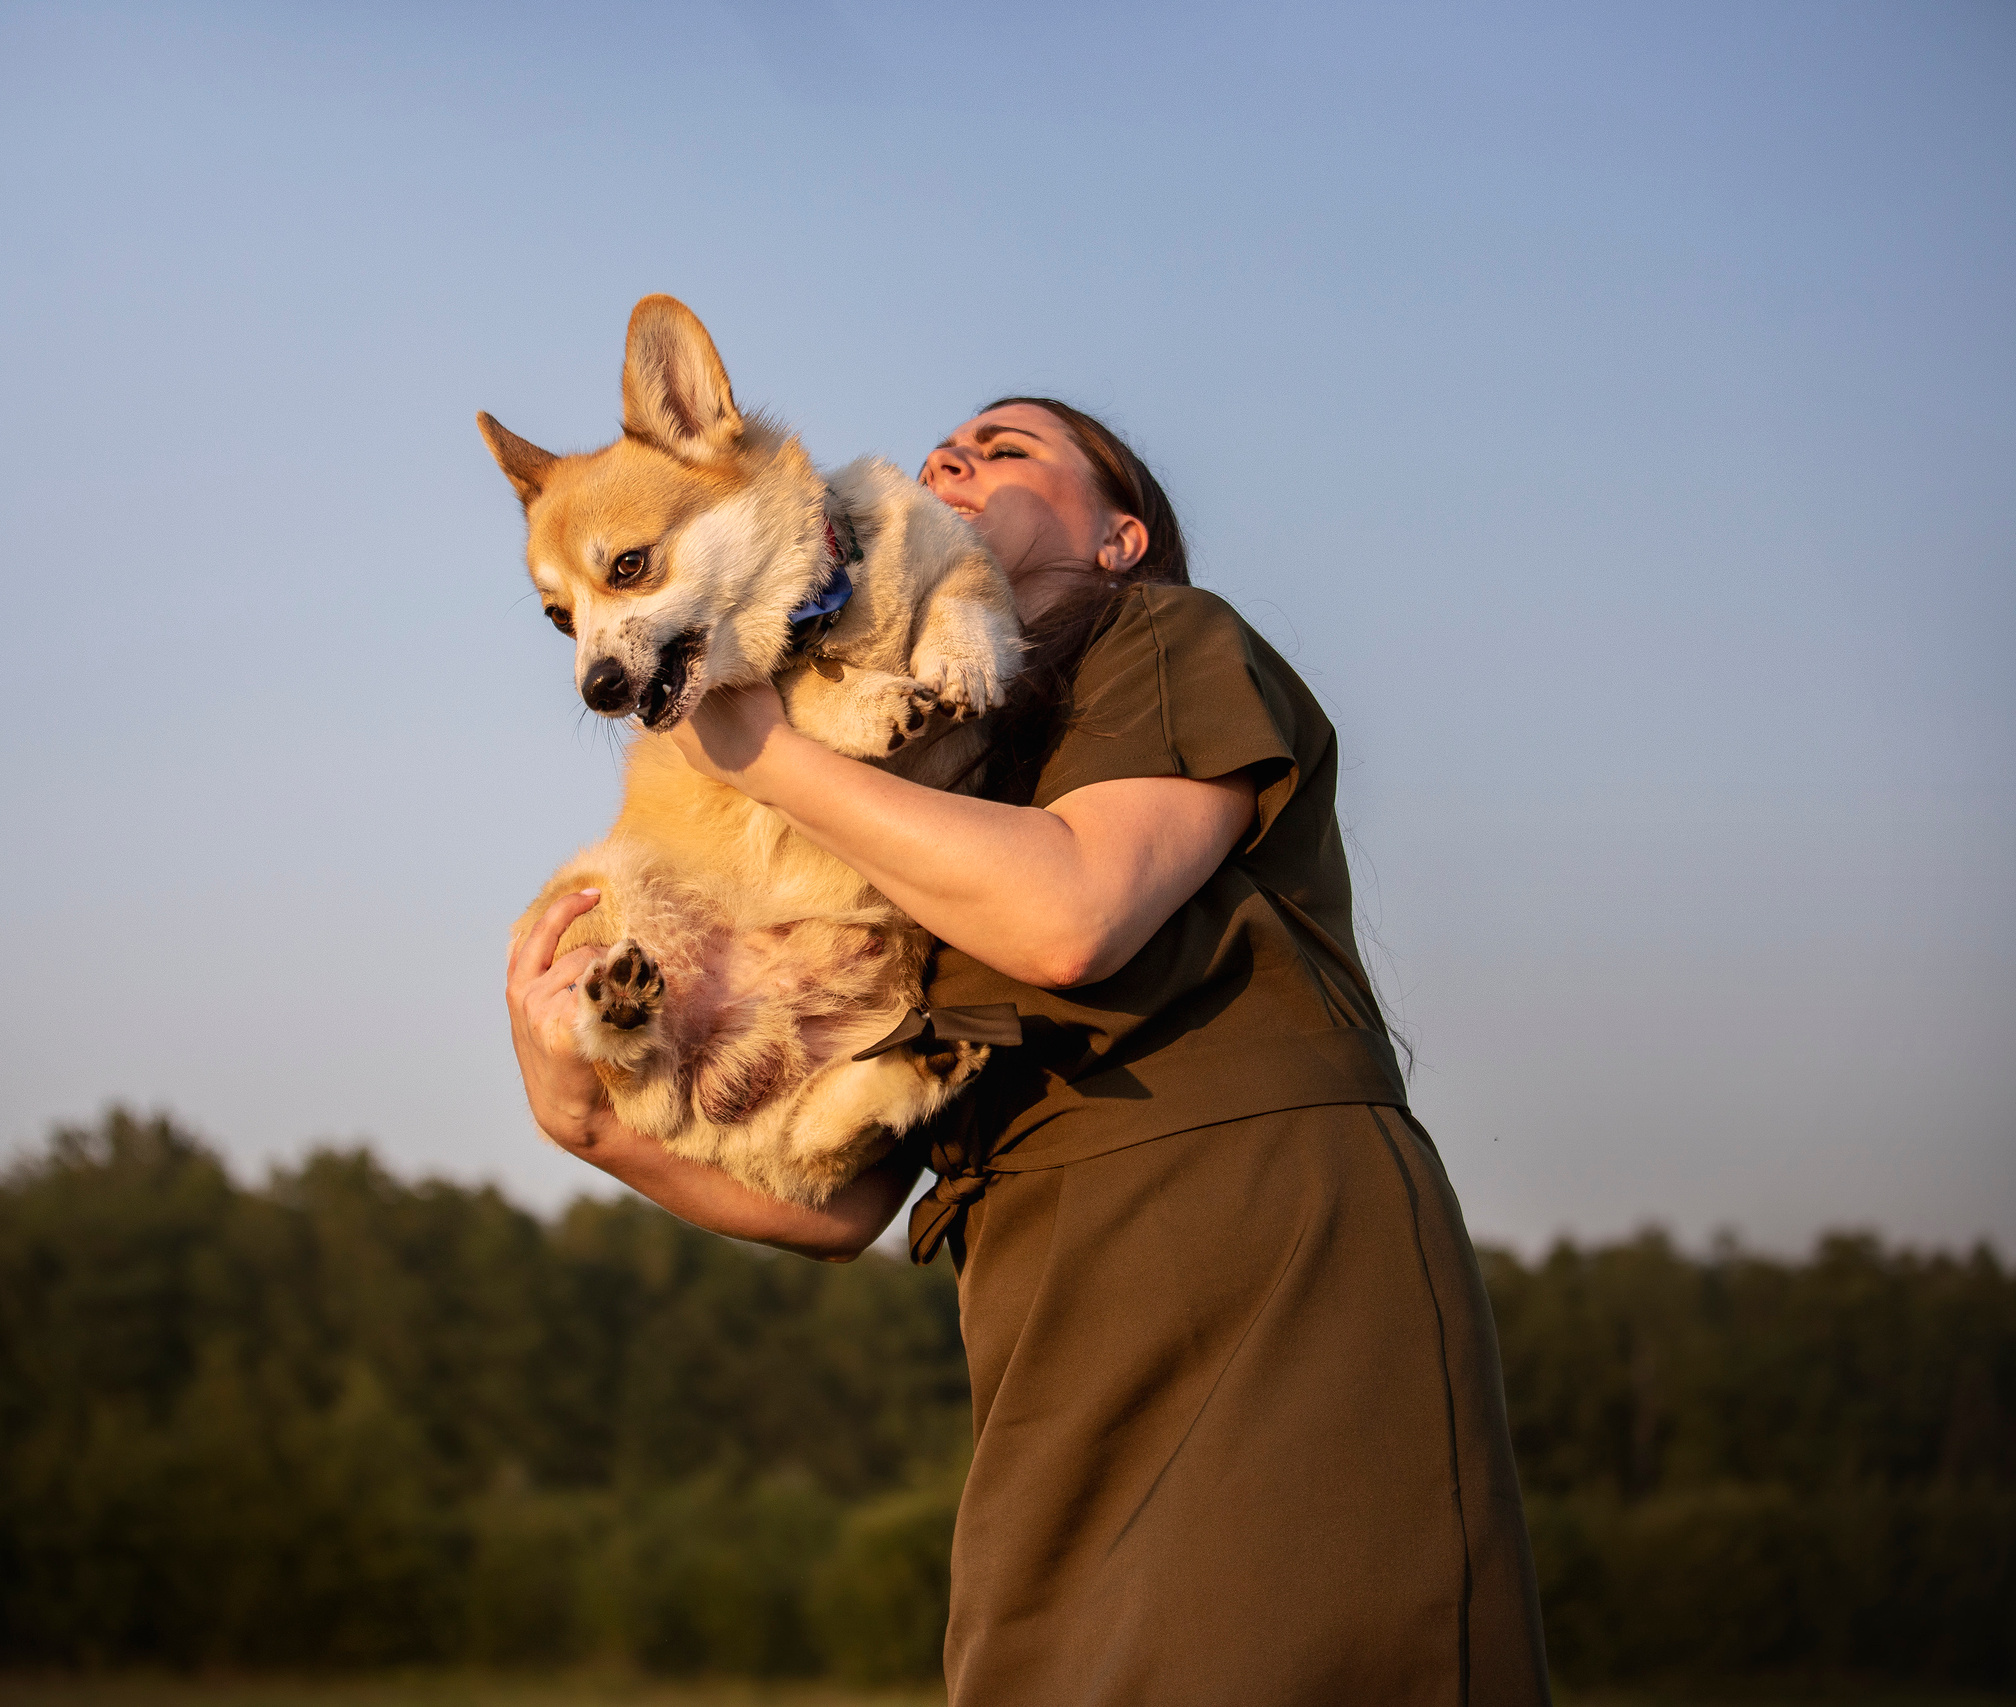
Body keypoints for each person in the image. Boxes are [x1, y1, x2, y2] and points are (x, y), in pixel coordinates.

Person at [506, 398, 1552, 1705]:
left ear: (1122, 540)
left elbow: (1069, 917)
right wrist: (587, 1124)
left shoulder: (1168, 638)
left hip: (1265, 1253)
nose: (953, 459)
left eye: (1008, 448)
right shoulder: (935, 775)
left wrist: (763, 756)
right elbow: (842, 1210)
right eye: (944, 446)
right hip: (1042, 1304)